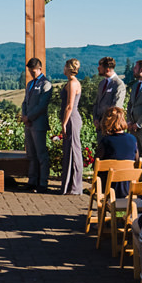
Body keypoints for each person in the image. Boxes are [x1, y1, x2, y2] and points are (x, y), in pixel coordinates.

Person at [21, 58, 53, 193]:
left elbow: (42, 105)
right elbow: (25, 102)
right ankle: (32, 180)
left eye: (33, 71)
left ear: (39, 69)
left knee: (41, 154)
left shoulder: (46, 84)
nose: (31, 73)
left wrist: (30, 117)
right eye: (29, 71)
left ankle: (43, 182)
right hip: (28, 124)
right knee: (31, 154)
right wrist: (24, 115)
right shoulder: (29, 84)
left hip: (38, 123)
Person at [96, 107, 139, 197]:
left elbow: (96, 165)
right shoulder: (132, 139)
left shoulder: (105, 141)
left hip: (108, 188)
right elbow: (136, 161)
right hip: (128, 188)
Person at [59, 58, 84, 195]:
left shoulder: (73, 83)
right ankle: (69, 185)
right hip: (70, 118)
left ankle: (74, 186)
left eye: (64, 66)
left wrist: (64, 122)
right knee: (69, 150)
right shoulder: (70, 82)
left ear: (68, 68)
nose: (63, 68)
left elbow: (69, 105)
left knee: (74, 150)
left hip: (72, 119)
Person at [92, 58, 125, 130]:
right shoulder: (101, 83)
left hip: (110, 126)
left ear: (107, 69)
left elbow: (116, 106)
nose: (98, 68)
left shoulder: (118, 84)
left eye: (100, 66)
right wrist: (95, 119)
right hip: (99, 126)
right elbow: (96, 103)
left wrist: (105, 121)